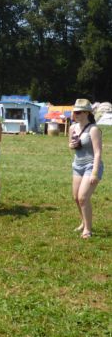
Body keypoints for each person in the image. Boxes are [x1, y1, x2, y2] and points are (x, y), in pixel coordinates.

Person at [69, 99, 103, 239]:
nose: (75, 114)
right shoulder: (72, 128)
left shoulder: (93, 129)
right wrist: (72, 145)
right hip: (77, 165)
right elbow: (70, 145)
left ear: (87, 113)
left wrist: (94, 172)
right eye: (74, 112)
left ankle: (88, 230)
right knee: (76, 198)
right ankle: (83, 222)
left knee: (83, 197)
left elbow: (98, 153)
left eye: (78, 112)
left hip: (91, 165)